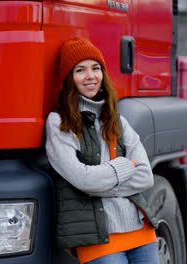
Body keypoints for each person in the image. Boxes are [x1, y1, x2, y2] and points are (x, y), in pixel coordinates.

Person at [45, 37, 159, 264]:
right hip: (96, 236)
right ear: (69, 79)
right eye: (80, 70)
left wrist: (99, 182)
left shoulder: (118, 121)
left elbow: (146, 176)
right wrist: (123, 168)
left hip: (140, 229)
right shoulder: (59, 123)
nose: (90, 76)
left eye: (95, 68)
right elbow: (84, 180)